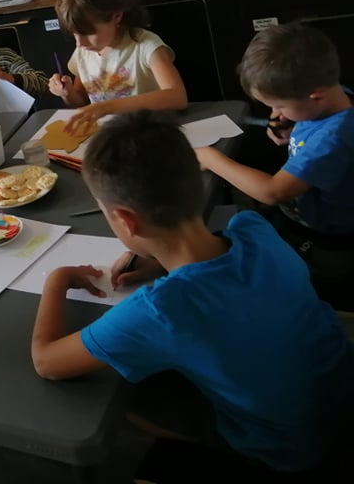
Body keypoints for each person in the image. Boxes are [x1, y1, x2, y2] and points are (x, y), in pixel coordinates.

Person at [30, 110, 354, 477]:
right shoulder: (253, 228)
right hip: (340, 387)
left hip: (290, 447)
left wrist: (57, 279)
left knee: (127, 397)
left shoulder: (162, 310)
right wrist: (159, 262)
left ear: (126, 220)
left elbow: (47, 362)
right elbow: (221, 269)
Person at [195, 23, 354, 310]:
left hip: (326, 247)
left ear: (316, 96)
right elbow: (312, 128)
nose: (275, 113)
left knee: (298, 297)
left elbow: (273, 191)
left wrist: (212, 159)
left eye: (279, 105)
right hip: (303, 221)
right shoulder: (335, 97)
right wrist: (294, 128)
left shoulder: (333, 139)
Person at [48, 0, 186, 133]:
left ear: (117, 16)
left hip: (149, 132)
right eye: (74, 33)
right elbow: (81, 101)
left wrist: (107, 107)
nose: (79, 43)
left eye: (88, 33)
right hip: (110, 134)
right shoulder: (83, 52)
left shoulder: (146, 46)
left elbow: (177, 97)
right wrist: (67, 93)